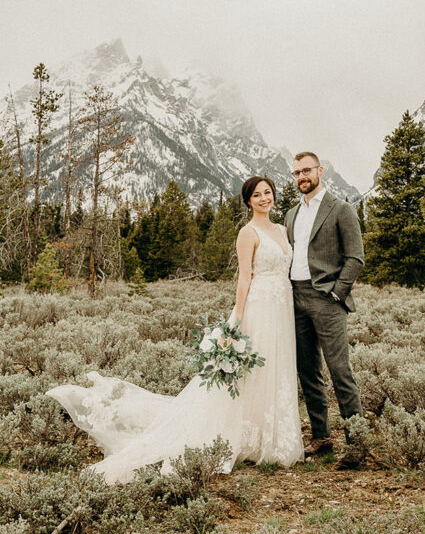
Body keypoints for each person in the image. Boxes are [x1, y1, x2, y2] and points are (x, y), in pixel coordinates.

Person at [46, 176, 303, 483]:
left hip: (281, 306)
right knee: (252, 371)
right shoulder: (247, 233)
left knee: (276, 368)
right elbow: (244, 278)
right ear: (248, 201)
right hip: (258, 307)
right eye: (257, 195)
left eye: (268, 193)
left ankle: (272, 435)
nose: (264, 198)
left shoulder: (283, 230)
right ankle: (247, 434)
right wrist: (236, 319)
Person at [284, 152, 365, 468]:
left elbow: (355, 257)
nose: (301, 176)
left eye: (306, 170)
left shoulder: (340, 209)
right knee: (308, 371)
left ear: (320, 171)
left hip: (326, 299)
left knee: (340, 371)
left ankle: (356, 443)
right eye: (296, 172)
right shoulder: (291, 214)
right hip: (297, 299)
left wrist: (336, 293)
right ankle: (321, 436)